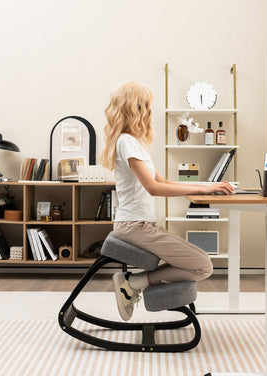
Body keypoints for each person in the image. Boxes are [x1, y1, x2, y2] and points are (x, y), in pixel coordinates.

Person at [100, 81, 234, 321]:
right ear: (135, 107)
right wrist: (203, 190)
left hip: (142, 225)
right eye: (147, 105)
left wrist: (205, 187)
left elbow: (164, 181)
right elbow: (153, 188)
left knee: (202, 263)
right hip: (134, 226)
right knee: (203, 265)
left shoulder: (135, 142)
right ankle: (132, 284)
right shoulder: (127, 142)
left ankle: (134, 283)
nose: (150, 111)